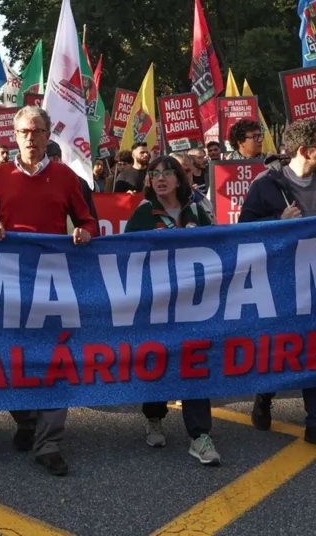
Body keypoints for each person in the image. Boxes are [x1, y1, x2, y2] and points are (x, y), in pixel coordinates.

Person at [0, 106, 98, 476]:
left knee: (54, 360)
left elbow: (88, 219)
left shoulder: (65, 176)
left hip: (52, 281)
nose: (30, 138)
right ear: (14, 136)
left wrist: (86, 232)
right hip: (10, 282)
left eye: (37, 131)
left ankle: (48, 442)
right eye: (23, 132)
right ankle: (26, 421)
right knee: (12, 359)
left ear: (49, 135)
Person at [238, 118, 316, 455]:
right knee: (278, 349)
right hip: (280, 281)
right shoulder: (266, 184)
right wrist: (278, 223)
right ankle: (264, 398)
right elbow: (242, 229)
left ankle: (315, 425)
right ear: (305, 150)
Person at [125, 155, 221, 466]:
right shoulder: (142, 214)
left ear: (179, 178)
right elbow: (123, 255)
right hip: (156, 303)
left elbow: (219, 244)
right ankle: (154, 417)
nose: (160, 178)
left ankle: (200, 436)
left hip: (193, 303)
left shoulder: (197, 209)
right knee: (157, 360)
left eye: (167, 172)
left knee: (194, 362)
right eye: (154, 173)